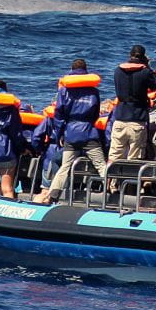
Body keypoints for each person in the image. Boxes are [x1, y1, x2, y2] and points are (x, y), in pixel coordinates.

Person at [45, 59, 107, 203]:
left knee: (65, 167)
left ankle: (52, 196)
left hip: (71, 134)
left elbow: (59, 115)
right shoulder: (94, 91)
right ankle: (113, 191)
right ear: (86, 70)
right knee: (101, 165)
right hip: (89, 133)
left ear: (71, 70)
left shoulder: (64, 91)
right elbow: (96, 113)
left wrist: (60, 135)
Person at [109, 44, 156, 162]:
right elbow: (155, 85)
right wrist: (147, 66)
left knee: (114, 157)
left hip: (120, 119)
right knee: (135, 159)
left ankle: (110, 174)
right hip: (137, 120)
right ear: (143, 57)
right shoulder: (145, 72)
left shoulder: (118, 71)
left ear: (130, 55)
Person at [30, 105, 63, 203]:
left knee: (46, 190)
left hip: (51, 153)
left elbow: (36, 137)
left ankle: (38, 207)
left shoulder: (49, 119)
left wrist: (40, 149)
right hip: (70, 153)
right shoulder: (75, 119)